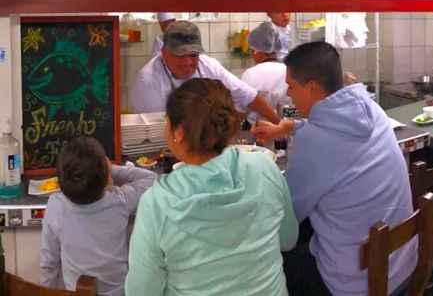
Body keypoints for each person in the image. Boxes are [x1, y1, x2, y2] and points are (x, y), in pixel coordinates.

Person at [251, 42, 416, 296]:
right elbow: (333, 132)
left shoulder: (313, 143)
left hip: (356, 284)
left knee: (277, 266)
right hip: (402, 263)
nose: (288, 93)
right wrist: (292, 126)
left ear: (313, 88)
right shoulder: (370, 109)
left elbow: (288, 215)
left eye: (292, 86)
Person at [126, 78, 298, 296]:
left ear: (178, 132)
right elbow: (288, 239)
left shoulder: (157, 202)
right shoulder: (264, 167)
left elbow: (141, 291)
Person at [40, 137, 156, 296]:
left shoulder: (56, 205)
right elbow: (152, 179)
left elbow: (49, 263)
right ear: (107, 177)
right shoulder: (119, 200)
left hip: (77, 293)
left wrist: (47, 292)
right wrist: (114, 168)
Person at [130, 21, 279, 122]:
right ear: (163, 52)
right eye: (180, 55)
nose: (188, 62)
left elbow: (249, 96)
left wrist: (280, 127)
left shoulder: (208, 65)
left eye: (193, 55)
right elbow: (159, 127)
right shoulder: (148, 80)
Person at [240, 21, 288, 124]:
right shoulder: (289, 71)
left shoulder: (251, 74)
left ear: (257, 53)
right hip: (288, 129)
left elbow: (241, 109)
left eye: (252, 51)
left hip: (260, 132)